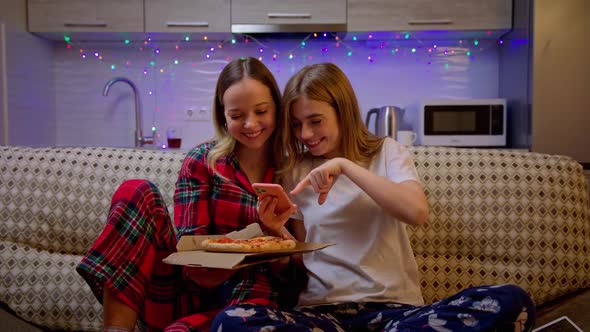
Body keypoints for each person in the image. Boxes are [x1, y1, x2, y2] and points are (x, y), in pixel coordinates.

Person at [211, 63, 536, 331]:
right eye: (297, 125)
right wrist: (276, 234)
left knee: (510, 301)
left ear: (343, 112)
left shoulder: (387, 152)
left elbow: (416, 212)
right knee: (230, 322)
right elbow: (295, 267)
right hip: (323, 317)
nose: (305, 135)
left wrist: (346, 167)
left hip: (397, 315)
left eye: (315, 121)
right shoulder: (295, 170)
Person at [76, 57, 300, 332]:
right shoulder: (203, 162)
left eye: (261, 111)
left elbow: (292, 277)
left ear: (277, 109)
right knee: (136, 189)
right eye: (237, 115)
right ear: (223, 115)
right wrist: (231, 255)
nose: (250, 124)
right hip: (188, 293)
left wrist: (276, 246)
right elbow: (191, 265)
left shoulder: (292, 170)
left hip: (251, 300)